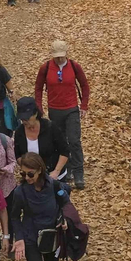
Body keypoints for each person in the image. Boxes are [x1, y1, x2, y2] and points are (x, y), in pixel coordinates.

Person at [35, 40, 89, 189]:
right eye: (56, 56)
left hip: (71, 109)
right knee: (60, 142)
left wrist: (83, 105)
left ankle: (79, 173)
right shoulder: (46, 68)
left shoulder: (74, 66)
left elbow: (84, 85)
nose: (59, 59)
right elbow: (38, 87)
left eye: (61, 56)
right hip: (54, 110)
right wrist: (39, 106)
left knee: (74, 140)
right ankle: (67, 169)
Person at [13, 97, 70, 182]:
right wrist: (27, 169)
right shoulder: (19, 132)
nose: (24, 121)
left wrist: (56, 172)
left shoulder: (51, 127)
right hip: (32, 179)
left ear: (35, 114)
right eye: (22, 119)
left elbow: (64, 151)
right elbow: (18, 154)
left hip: (54, 176)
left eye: (27, 118)